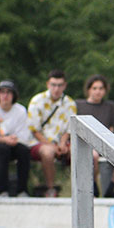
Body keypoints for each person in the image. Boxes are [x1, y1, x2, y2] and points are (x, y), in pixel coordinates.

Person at [27, 69, 77, 197]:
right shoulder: (37, 101)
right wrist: (52, 146)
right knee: (48, 152)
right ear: (48, 85)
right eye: (53, 85)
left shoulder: (70, 103)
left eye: (60, 85)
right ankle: (51, 189)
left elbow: (69, 128)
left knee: (80, 152)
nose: (56, 89)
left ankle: (82, 191)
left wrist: (62, 143)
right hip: (39, 142)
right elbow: (34, 130)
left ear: (64, 85)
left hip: (62, 141)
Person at [0, 80, 34, 197]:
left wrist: (11, 140)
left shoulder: (20, 110)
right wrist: (4, 139)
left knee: (24, 151)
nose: (5, 96)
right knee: (3, 150)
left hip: (14, 143)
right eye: (2, 92)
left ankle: (22, 190)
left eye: (9, 93)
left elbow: (23, 136)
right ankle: (2, 191)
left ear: (14, 95)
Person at [76, 74, 114, 197]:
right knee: (93, 156)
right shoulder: (79, 105)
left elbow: (111, 128)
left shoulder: (110, 106)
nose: (98, 91)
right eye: (95, 88)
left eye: (101, 88)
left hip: (105, 142)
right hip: (87, 144)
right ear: (89, 90)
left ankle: (110, 190)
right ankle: (94, 187)